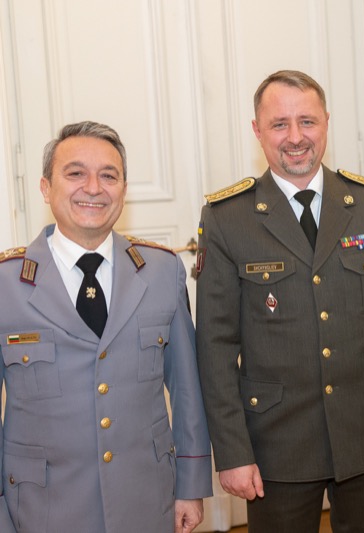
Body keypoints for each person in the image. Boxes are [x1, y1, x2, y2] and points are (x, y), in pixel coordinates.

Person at [195, 70, 364, 533]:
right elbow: (215, 348)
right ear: (257, 130)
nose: (296, 137)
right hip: (276, 443)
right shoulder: (227, 218)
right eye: (279, 124)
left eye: (307, 121)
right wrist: (233, 452)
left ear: (326, 123)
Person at [0, 121, 212, 532]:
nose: (94, 188)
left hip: (145, 501)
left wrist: (191, 485)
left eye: (109, 176)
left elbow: (187, 390)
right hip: (41, 510)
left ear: (124, 190)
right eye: (75, 173)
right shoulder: (7, 284)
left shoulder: (162, 271)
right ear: (45, 188)